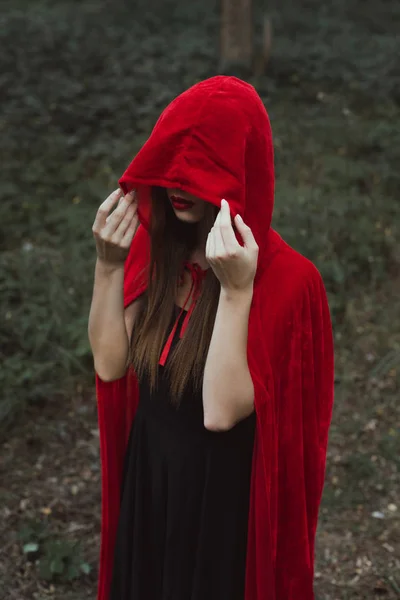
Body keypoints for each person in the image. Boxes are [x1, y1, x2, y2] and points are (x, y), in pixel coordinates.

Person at [89, 76, 334, 600]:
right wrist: (108, 268)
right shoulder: (160, 249)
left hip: (221, 504)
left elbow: (219, 413)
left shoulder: (291, 281)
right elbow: (111, 367)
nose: (180, 185)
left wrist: (236, 291)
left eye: (202, 172)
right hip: (151, 480)